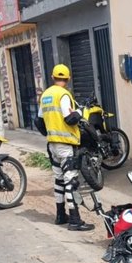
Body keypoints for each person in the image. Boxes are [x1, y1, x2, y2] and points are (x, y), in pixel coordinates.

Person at [37, 64, 94, 232]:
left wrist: (49, 134)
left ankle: (60, 215)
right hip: (65, 144)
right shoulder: (63, 95)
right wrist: (80, 113)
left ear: (52, 77)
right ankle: (75, 220)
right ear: (68, 78)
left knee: (59, 179)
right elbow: (69, 119)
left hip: (52, 145)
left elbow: (38, 121)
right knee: (71, 181)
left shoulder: (46, 95)